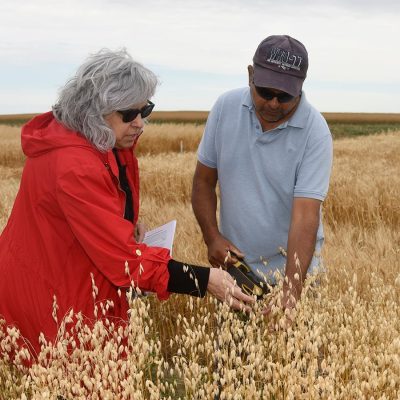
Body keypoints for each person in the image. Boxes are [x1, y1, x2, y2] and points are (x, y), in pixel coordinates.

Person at [0, 49, 253, 360]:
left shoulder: (95, 140)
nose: (140, 123)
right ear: (95, 111)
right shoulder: (75, 165)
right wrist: (203, 280)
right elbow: (123, 261)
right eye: (129, 114)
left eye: (145, 110)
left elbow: (88, 219)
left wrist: (122, 223)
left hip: (57, 282)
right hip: (52, 299)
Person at [192, 35, 333, 314]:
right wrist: (211, 236)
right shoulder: (225, 108)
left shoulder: (315, 132)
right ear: (250, 75)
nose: (274, 103)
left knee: (293, 343)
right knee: (231, 345)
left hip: (295, 275)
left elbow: (305, 216)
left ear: (301, 87)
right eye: (266, 92)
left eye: (285, 96)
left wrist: (291, 293)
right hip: (237, 272)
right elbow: (203, 181)